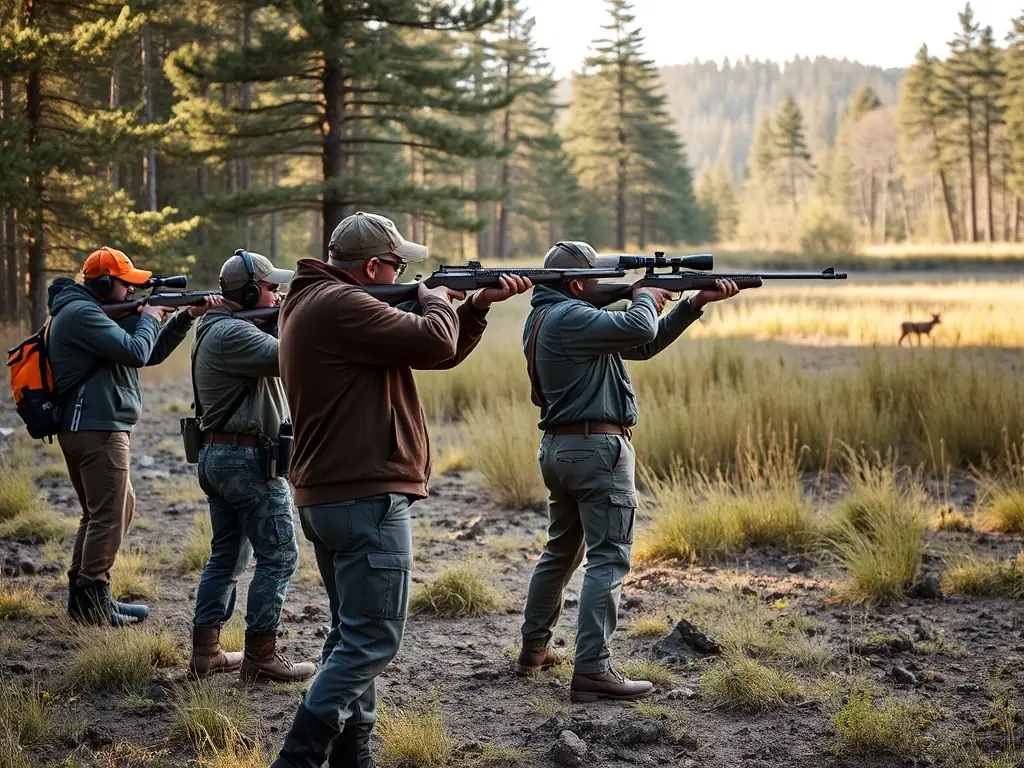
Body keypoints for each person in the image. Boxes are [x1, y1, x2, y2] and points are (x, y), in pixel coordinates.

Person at [270, 211, 531, 768]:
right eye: (395, 266)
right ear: (372, 266)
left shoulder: (314, 302)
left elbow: (436, 349)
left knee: (350, 638)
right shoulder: (340, 305)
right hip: (362, 495)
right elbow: (434, 338)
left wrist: (476, 307)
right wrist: (439, 296)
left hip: (335, 493)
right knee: (372, 641)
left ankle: (352, 758)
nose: (400, 274)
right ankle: (295, 761)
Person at [515, 241, 741, 702]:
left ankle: (534, 649)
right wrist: (647, 295)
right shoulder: (572, 317)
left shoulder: (546, 318)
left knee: (560, 552)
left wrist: (693, 302)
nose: (604, 286)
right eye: (597, 281)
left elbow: (642, 342)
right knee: (609, 557)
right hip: (597, 450)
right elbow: (639, 323)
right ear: (577, 285)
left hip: (563, 448)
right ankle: (594, 670)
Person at [47, 246, 221, 626]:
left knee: (110, 510)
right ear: (106, 283)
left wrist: (183, 318)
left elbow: (149, 351)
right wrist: (151, 315)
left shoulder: (87, 312)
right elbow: (137, 351)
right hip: (96, 428)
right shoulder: (81, 314)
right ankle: (94, 596)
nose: (131, 292)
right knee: (108, 514)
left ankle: (84, 595)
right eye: (126, 285)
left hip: (94, 426)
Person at [186, 250, 316, 684]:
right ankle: (261, 657)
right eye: (271, 288)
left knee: (227, 555)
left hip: (221, 456)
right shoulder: (232, 335)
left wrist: (280, 312)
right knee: (279, 555)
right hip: (246, 460)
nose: (278, 295)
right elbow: (291, 356)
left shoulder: (218, 328)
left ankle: (207, 653)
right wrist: (298, 315)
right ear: (246, 292)